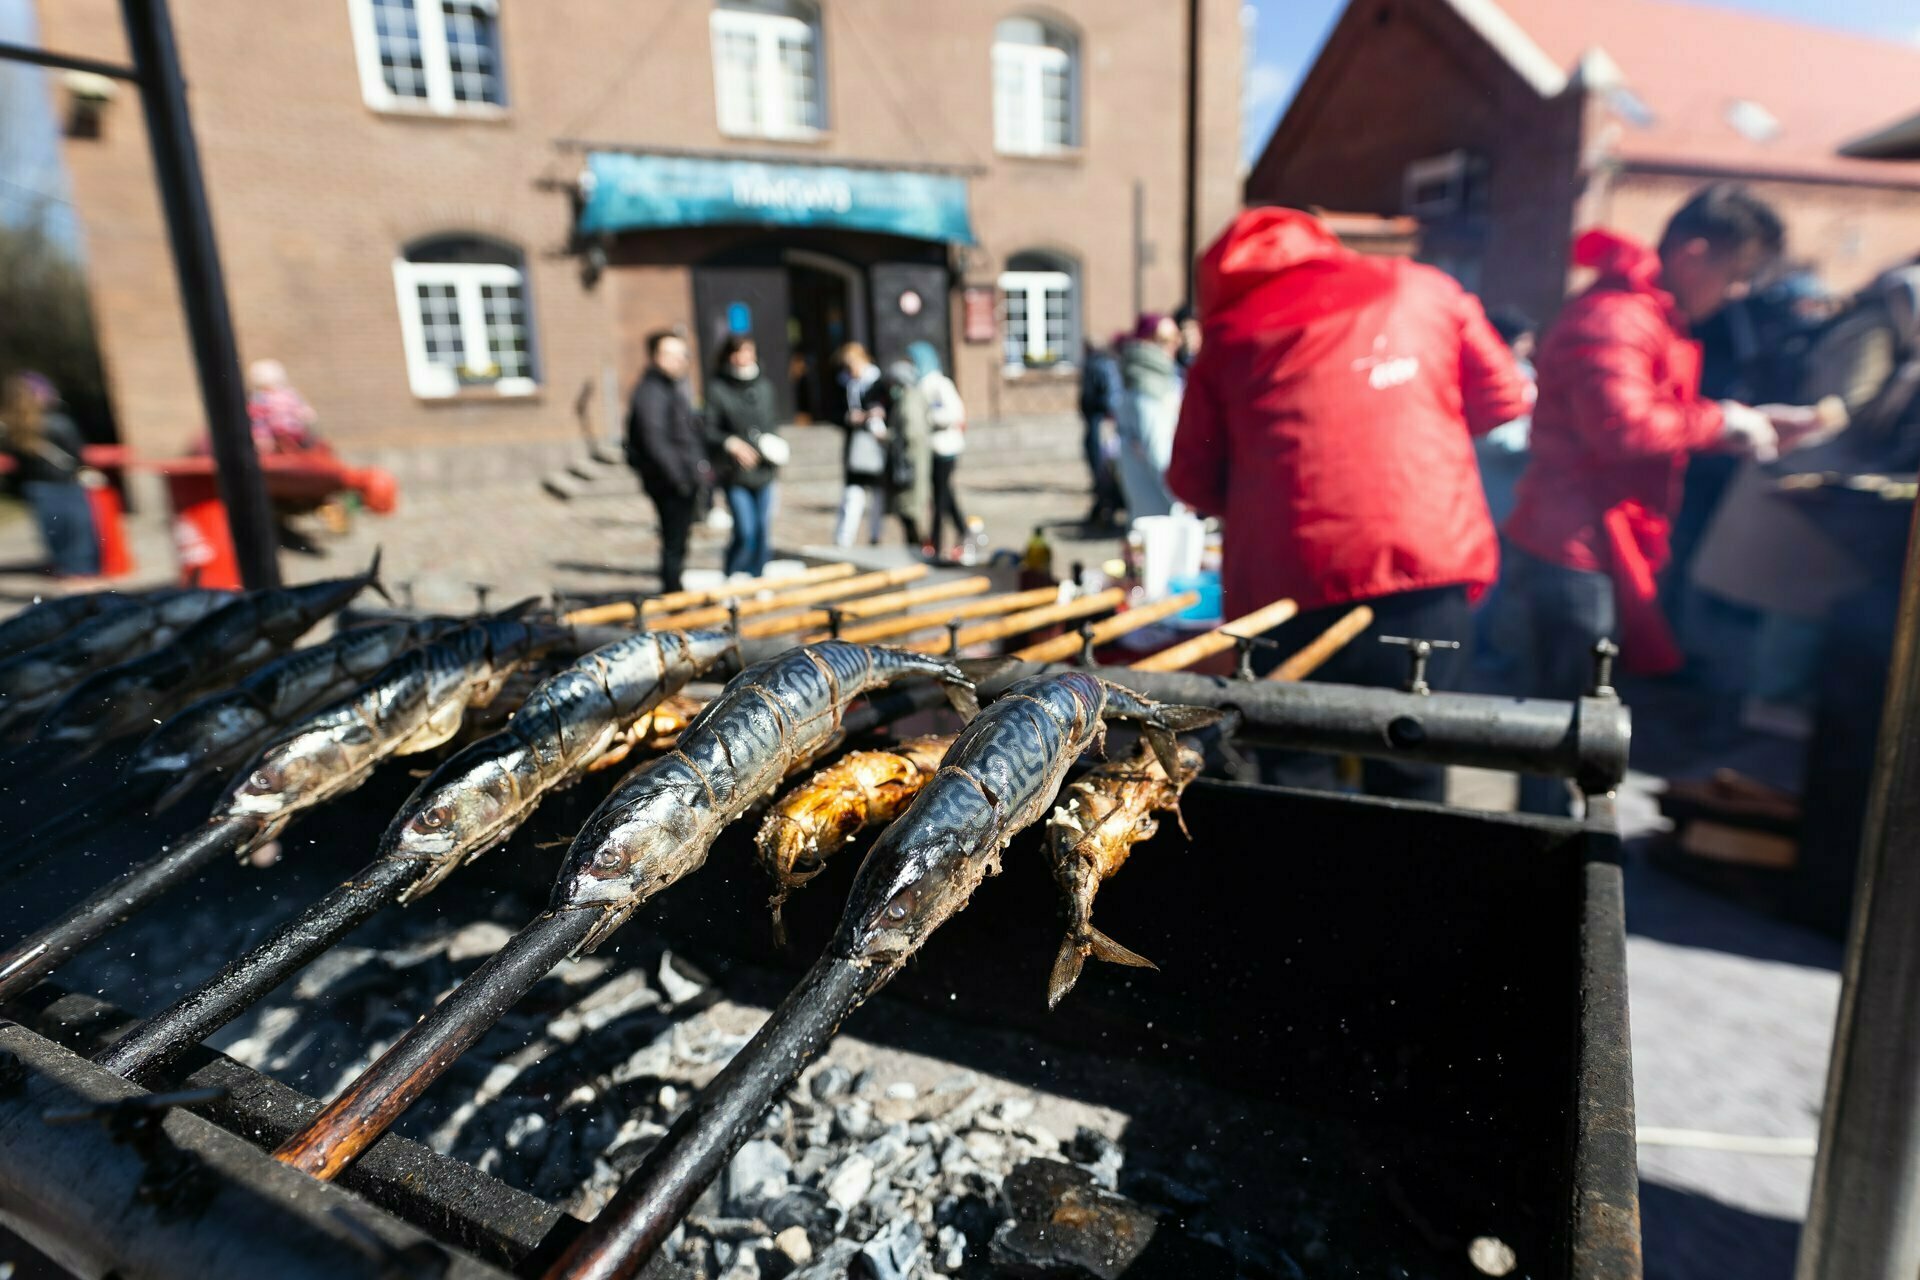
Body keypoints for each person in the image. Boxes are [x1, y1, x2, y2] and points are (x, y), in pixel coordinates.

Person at [1166, 207, 1532, 803]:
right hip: (1424, 571)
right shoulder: (1423, 288)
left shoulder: (1231, 334)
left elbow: (1192, 479)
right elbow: (1503, 398)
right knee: (1415, 765)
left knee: (1299, 778)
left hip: (1288, 589)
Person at [1498, 184, 1818, 814]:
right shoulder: (1618, 316)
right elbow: (1622, 428)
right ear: (1695, 254)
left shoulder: (1643, 314)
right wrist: (1723, 423)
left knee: (1573, 718)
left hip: (1596, 543)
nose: (1737, 294)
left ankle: (1557, 843)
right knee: (1562, 723)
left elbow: (1653, 414)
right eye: (1736, 275)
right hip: (1572, 551)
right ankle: (1546, 855)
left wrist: (1740, 419)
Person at [624, 330, 708, 594]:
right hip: (669, 482)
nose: (677, 360)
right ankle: (672, 593)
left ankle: (675, 587)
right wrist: (680, 478)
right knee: (673, 541)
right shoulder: (650, 391)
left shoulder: (672, 387)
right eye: (669, 354)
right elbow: (655, 441)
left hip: (682, 477)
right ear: (654, 357)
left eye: (681, 354)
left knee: (680, 539)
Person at [1, 372, 99, 578]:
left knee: (55, 534)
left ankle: (65, 571)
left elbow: (16, 463)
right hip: (66, 485)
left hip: (36, 488)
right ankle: (82, 577)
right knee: (78, 536)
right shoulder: (58, 422)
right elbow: (77, 455)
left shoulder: (13, 429)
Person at [704, 335, 783, 578]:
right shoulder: (718, 389)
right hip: (735, 472)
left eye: (749, 351)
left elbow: (771, 425)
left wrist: (771, 447)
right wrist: (731, 444)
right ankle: (732, 572)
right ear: (729, 356)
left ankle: (758, 576)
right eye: (739, 352)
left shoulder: (764, 388)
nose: (744, 357)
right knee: (745, 529)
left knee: (762, 530)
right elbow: (709, 428)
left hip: (764, 469)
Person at [1113, 314, 1183, 521]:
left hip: (1150, 504)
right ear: (1147, 342)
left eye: (1176, 337)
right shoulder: (1148, 388)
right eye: (1166, 339)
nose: (1175, 345)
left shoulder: (1150, 380)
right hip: (1161, 508)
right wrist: (1183, 497)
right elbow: (1159, 452)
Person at [909, 341, 970, 557]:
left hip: (945, 447)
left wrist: (928, 420)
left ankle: (936, 540)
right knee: (944, 494)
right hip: (930, 449)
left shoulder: (939, 384)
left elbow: (955, 413)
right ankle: (964, 531)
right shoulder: (919, 384)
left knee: (941, 496)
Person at [865, 358, 929, 549]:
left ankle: (918, 550)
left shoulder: (909, 401)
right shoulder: (910, 398)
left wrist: (887, 437)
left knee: (909, 513)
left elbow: (911, 433)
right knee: (907, 513)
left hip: (909, 464)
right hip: (909, 463)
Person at [832, 343, 888, 546]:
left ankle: (875, 536)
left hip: (876, 445)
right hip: (855, 446)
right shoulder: (844, 385)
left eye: (853, 364)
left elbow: (889, 408)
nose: (851, 370)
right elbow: (833, 412)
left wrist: (880, 414)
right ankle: (844, 539)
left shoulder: (878, 382)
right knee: (852, 495)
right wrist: (849, 417)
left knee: (878, 496)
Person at [1077, 338, 1123, 527]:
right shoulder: (1097, 364)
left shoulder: (1101, 365)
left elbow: (1110, 394)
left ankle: (1104, 503)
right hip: (1095, 418)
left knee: (1102, 465)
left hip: (1099, 419)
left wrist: (1108, 413)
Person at [245, 359, 321, 453]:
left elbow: (300, 408)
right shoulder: (259, 398)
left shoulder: (289, 394)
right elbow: (258, 420)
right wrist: (262, 435)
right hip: (272, 435)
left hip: (294, 432)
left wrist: (304, 414)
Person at [1172, 302, 1202, 374]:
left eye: (1192, 327)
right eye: (1183, 328)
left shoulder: (1210, 362)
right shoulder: (1171, 363)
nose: (1188, 334)